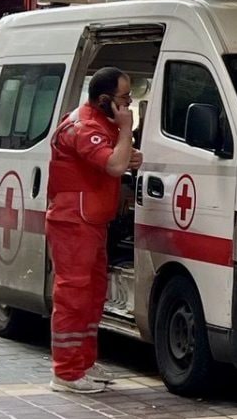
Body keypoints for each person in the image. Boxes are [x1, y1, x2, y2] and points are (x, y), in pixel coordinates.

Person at [46, 67, 142, 394]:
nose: (128, 104)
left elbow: (117, 158)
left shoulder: (99, 123)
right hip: (74, 222)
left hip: (90, 222)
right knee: (74, 296)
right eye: (124, 98)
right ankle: (67, 373)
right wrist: (127, 131)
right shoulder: (85, 126)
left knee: (92, 295)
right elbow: (114, 165)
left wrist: (127, 148)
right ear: (105, 100)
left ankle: (83, 362)